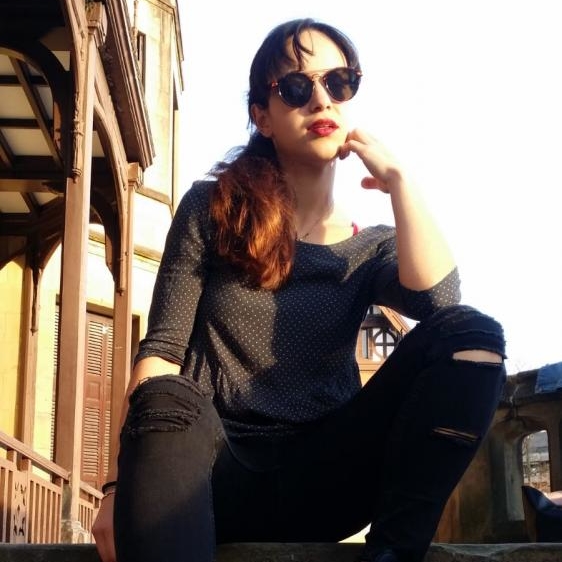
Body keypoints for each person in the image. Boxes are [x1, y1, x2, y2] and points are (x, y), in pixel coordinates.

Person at [92, 18, 506, 562]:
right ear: (262, 116)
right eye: (295, 86)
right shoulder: (212, 210)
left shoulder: (369, 249)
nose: (320, 99)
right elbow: (161, 353)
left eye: (338, 82)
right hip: (210, 476)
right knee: (167, 393)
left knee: (476, 336)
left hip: (327, 482)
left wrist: (401, 182)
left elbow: (441, 304)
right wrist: (117, 488)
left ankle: (393, 556)